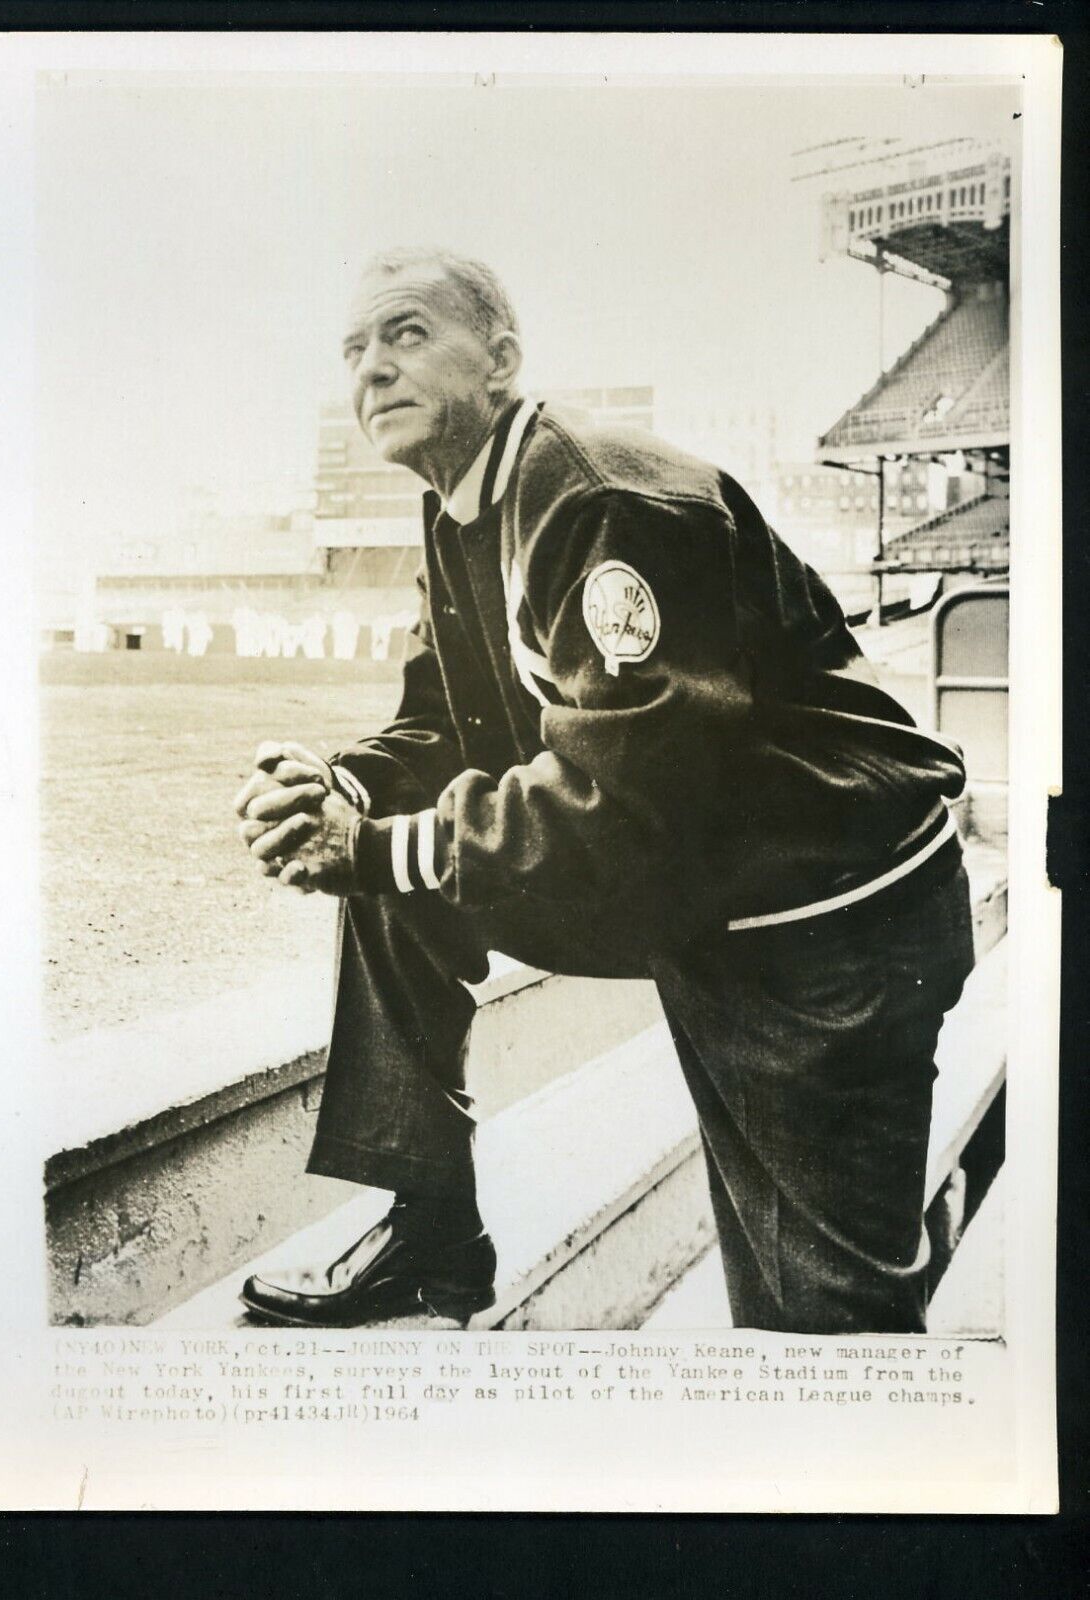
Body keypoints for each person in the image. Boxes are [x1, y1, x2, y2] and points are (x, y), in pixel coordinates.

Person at [233, 247, 976, 1335]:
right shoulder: (457, 507)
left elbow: (627, 805)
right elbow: (448, 725)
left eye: (404, 334)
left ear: (501, 361)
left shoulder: (597, 493)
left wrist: (372, 843)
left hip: (828, 912)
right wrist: (331, 788)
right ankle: (431, 1224)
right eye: (353, 350)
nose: (372, 371)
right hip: (701, 873)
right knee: (384, 863)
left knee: (819, 1317)